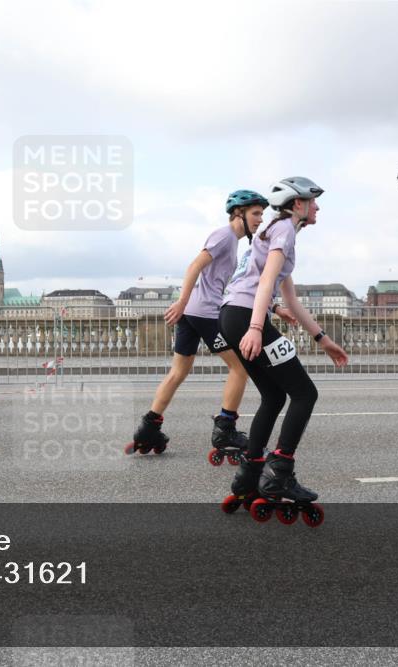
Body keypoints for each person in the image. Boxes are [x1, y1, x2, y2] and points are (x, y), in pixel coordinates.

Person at [127, 190, 298, 457]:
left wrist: (274, 307)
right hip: (204, 313)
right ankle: (225, 428)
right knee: (240, 368)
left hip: (195, 313)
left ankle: (148, 427)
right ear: (238, 214)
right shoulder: (224, 236)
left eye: (262, 215)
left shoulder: (233, 243)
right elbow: (194, 266)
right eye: (255, 214)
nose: (259, 220)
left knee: (178, 373)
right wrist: (181, 302)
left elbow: (231, 285)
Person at [218, 177, 348, 511]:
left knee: (275, 395)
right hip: (247, 317)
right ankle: (279, 471)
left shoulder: (273, 231)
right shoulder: (285, 230)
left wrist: (323, 339)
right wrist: (257, 327)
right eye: (313, 201)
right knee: (305, 393)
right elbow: (264, 282)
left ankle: (249, 475)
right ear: (298, 204)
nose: (317, 207)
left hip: (231, 315)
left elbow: (291, 298)